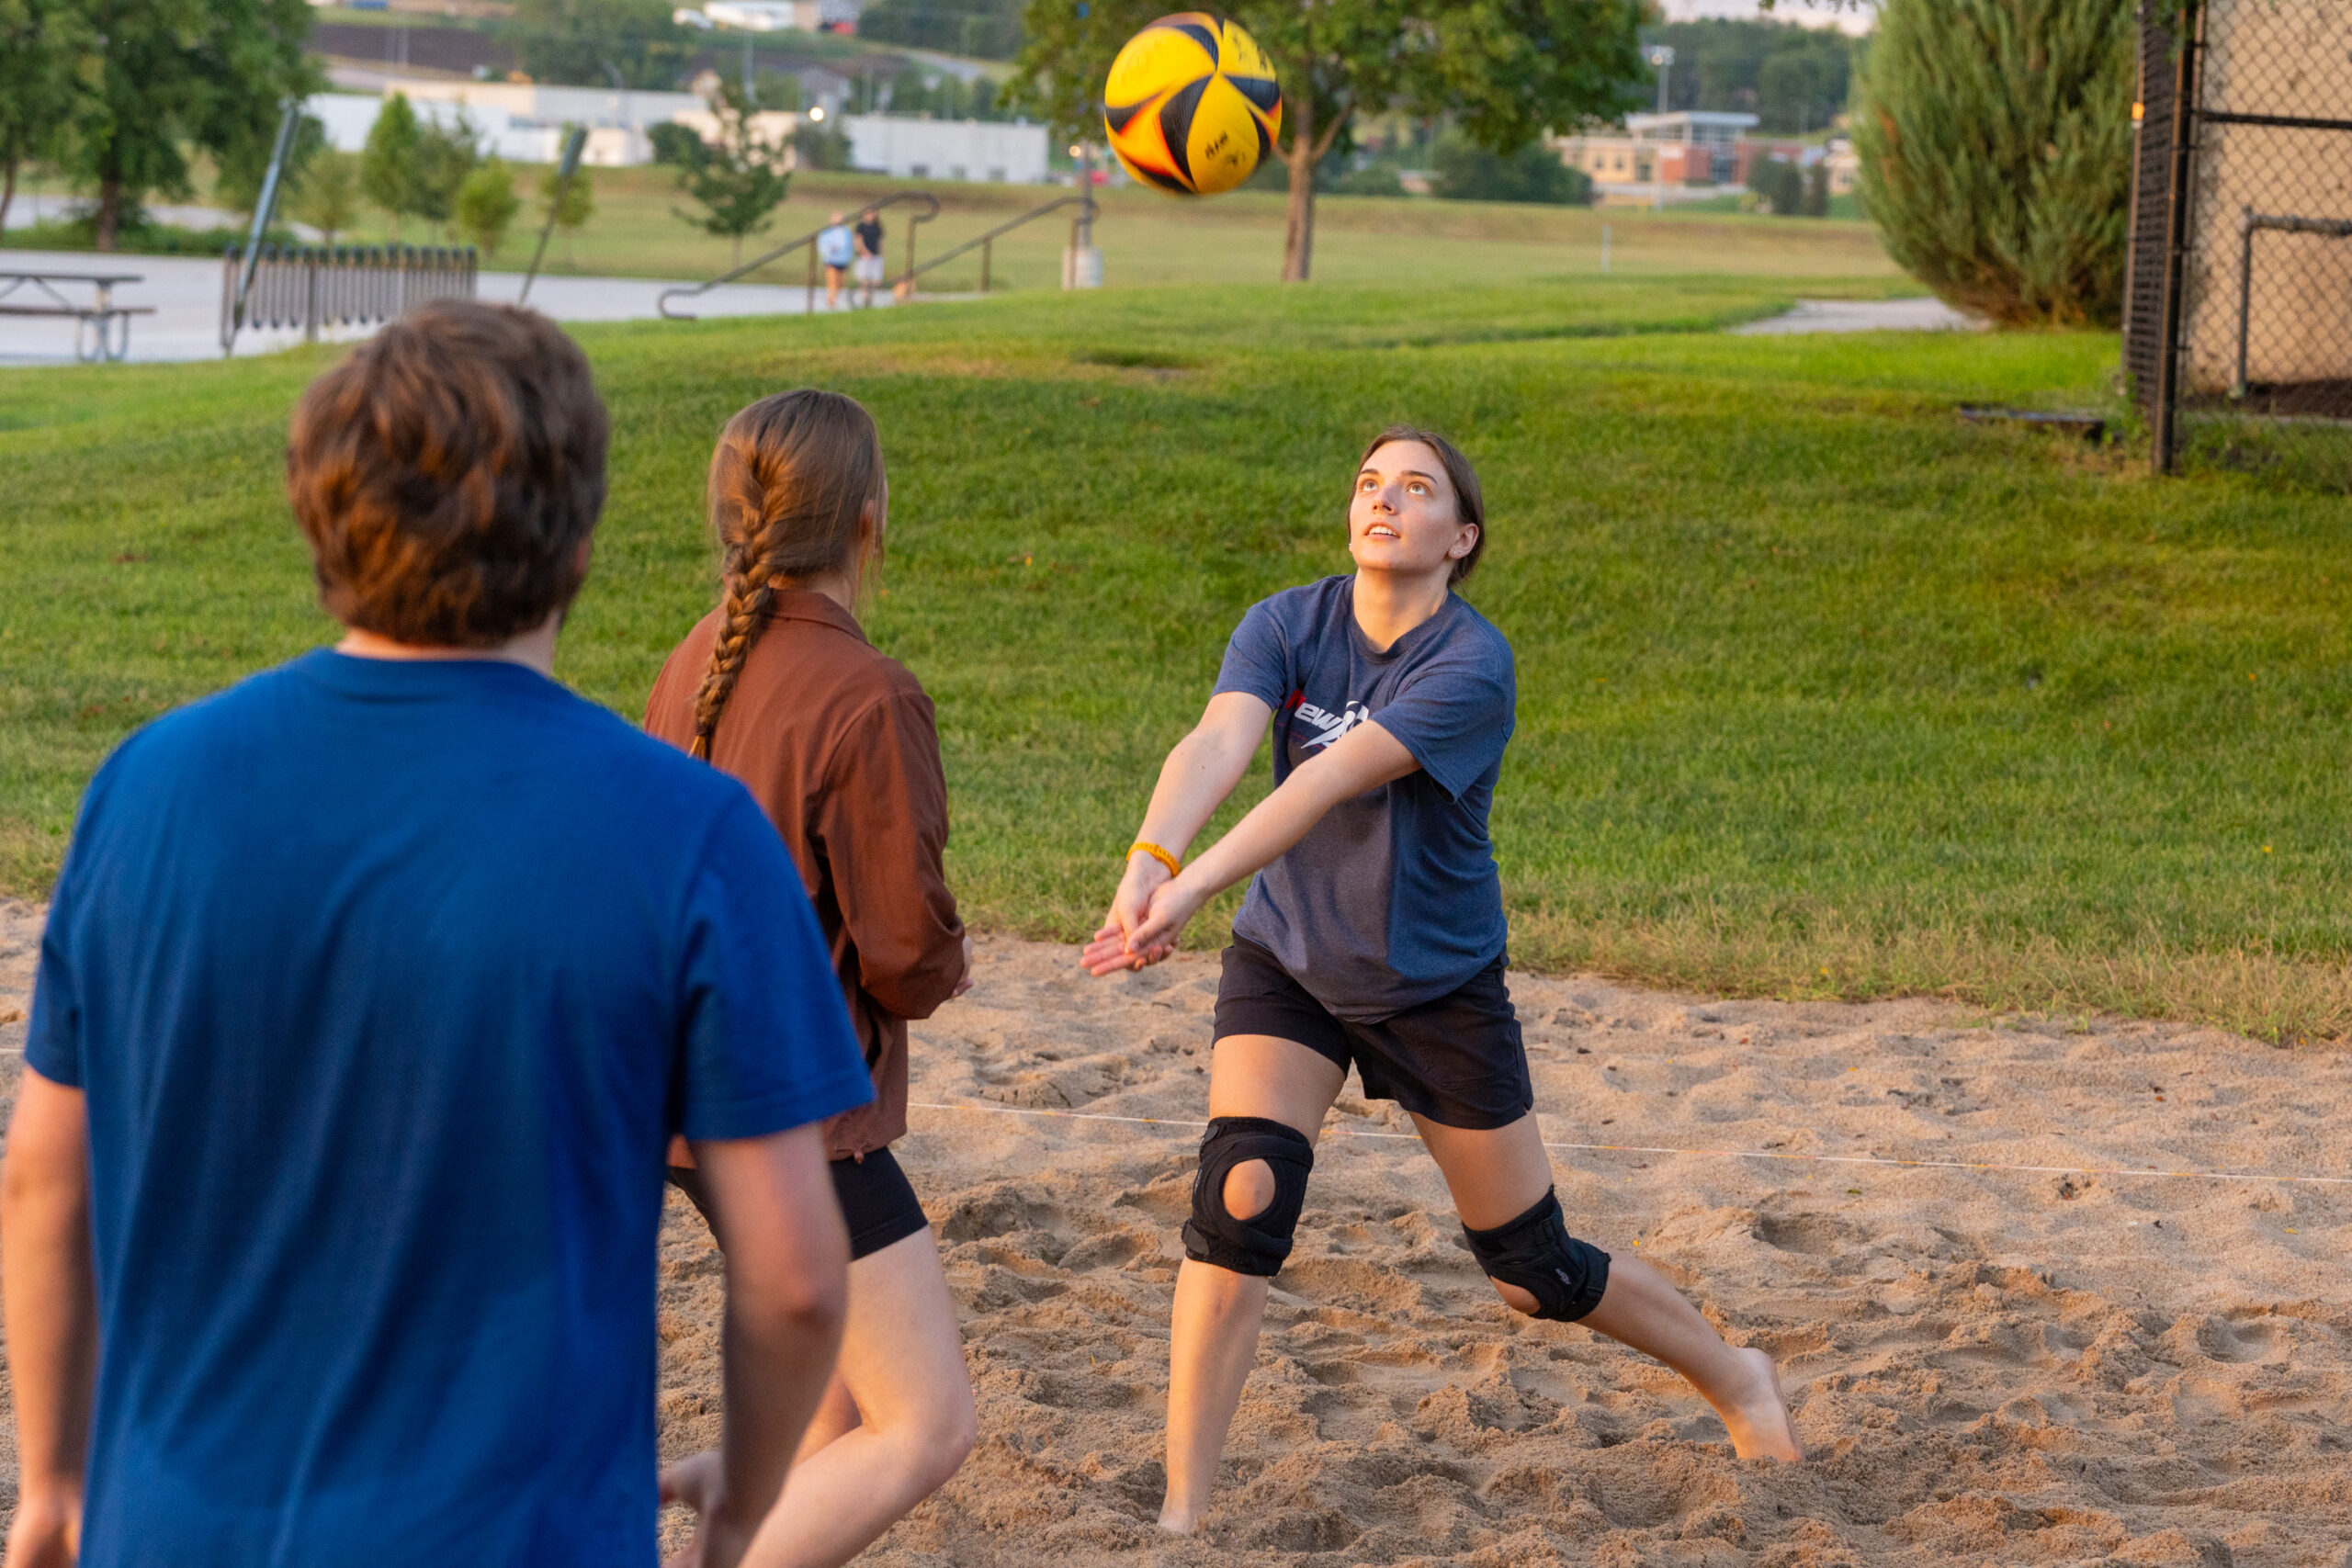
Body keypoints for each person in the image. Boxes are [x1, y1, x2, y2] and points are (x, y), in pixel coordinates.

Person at [2, 301, 875, 1568]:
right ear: (581, 540)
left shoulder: (147, 787)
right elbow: (795, 1280)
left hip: (178, 1526)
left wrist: (53, 1482)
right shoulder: (689, 831)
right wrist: (744, 1497)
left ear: (320, 519)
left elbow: (43, 1179)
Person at [1082, 424, 1805, 1533]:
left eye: (1416, 489)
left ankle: (1737, 1376)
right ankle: (1184, 1516)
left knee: (1530, 1272)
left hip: (1434, 985)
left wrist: (1188, 891)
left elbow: (1322, 783)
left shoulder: (1470, 664)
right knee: (1241, 1197)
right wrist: (1148, 860)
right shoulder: (1286, 621)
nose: (1384, 500)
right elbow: (1217, 741)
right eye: (1369, 483)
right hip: (1292, 960)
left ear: (1461, 537)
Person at [644, 389, 978, 1568]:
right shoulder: (869, 693)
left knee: (831, 1421)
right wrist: (948, 961)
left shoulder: (695, 657)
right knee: (926, 1425)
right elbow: (902, 952)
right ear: (868, 515)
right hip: (792, 1116)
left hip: (685, 1095)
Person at [817, 211, 855, 310]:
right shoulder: (827, 232)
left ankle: (833, 299)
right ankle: (831, 301)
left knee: (841, 283)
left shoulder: (847, 232)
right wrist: (828, 252)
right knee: (832, 281)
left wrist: (849, 259)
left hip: (843, 261)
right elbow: (822, 246)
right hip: (831, 260)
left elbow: (850, 246)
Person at [853, 207, 886, 307]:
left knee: (875, 279)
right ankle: (864, 295)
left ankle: (870, 296)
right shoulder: (861, 226)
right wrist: (864, 251)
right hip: (864, 256)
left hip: (875, 255)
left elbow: (880, 241)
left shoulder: (877, 227)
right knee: (863, 277)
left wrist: (882, 254)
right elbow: (858, 240)